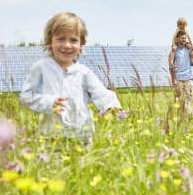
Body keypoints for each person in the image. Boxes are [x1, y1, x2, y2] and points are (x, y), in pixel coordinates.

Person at [20, 12, 121, 144]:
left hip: (81, 137)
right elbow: (26, 96)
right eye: (61, 39)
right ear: (50, 41)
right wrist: (49, 102)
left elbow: (101, 94)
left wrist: (112, 107)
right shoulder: (41, 68)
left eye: (73, 40)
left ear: (81, 45)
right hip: (50, 137)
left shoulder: (84, 72)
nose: (67, 45)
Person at [170, 30, 193, 116]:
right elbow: (171, 67)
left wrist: (191, 44)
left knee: (189, 98)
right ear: (177, 39)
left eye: (185, 38)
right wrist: (173, 80)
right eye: (182, 38)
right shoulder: (174, 51)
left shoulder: (188, 50)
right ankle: (180, 118)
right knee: (179, 100)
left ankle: (188, 117)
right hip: (178, 79)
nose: (184, 39)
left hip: (189, 78)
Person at [168, 17, 193, 85]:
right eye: (181, 25)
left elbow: (189, 38)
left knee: (188, 46)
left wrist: (191, 45)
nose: (183, 26)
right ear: (178, 25)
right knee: (173, 49)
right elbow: (173, 39)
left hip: (185, 43)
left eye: (184, 25)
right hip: (177, 43)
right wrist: (173, 46)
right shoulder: (177, 31)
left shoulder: (186, 30)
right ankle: (172, 61)